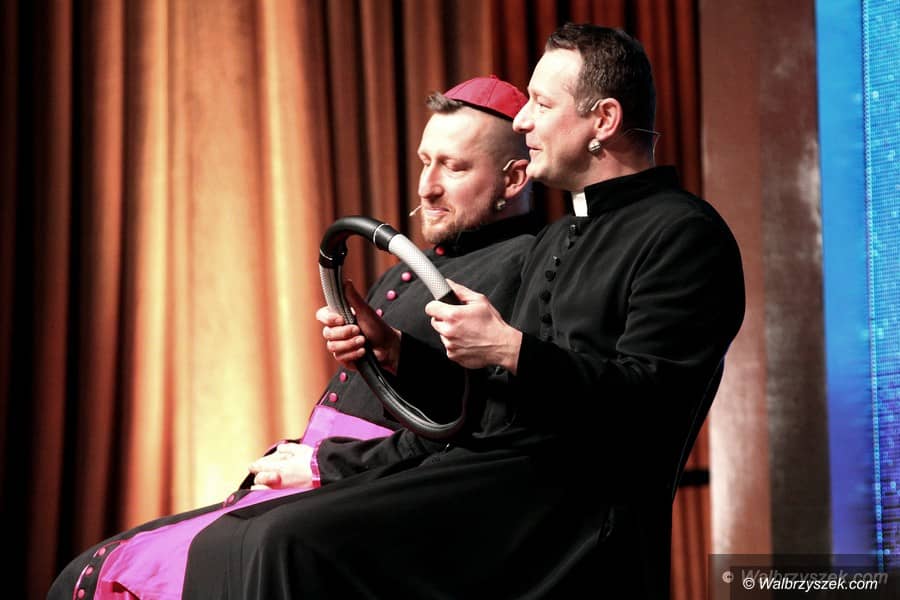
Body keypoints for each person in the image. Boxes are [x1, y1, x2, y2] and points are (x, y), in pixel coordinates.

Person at [48, 75, 539, 599]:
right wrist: (373, 351)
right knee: (94, 569)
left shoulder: (522, 266)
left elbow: (478, 423)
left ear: (513, 179)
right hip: (321, 475)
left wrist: (325, 463)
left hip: (375, 493)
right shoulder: (415, 264)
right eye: (425, 161)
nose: (427, 187)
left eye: (454, 167)